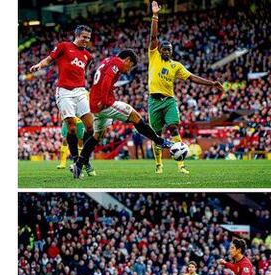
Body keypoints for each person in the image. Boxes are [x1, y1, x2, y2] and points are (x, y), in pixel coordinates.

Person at [147, 2, 225, 175]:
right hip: (153, 101)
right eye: (164, 49)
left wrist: (212, 83)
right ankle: (159, 164)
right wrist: (155, 16)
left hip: (168, 101)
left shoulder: (176, 66)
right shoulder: (154, 57)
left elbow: (192, 78)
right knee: (156, 134)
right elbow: (153, 38)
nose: (166, 51)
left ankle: (181, 165)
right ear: (159, 50)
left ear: (172, 52)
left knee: (174, 127)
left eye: (169, 50)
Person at [72, 49, 174, 178]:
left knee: (97, 136)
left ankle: (79, 164)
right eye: (130, 66)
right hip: (104, 104)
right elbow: (106, 80)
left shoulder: (107, 60)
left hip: (94, 104)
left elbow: (101, 79)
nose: (129, 69)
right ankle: (159, 140)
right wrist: (104, 100)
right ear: (127, 60)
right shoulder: (118, 62)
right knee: (135, 117)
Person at [29, 25, 96, 172]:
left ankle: (84, 158)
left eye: (88, 38)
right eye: (84, 37)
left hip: (80, 91)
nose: (86, 40)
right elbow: (49, 59)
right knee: (71, 128)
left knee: (91, 127)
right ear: (77, 35)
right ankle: (76, 161)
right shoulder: (64, 46)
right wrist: (39, 65)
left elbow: (82, 71)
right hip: (64, 92)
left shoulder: (88, 56)